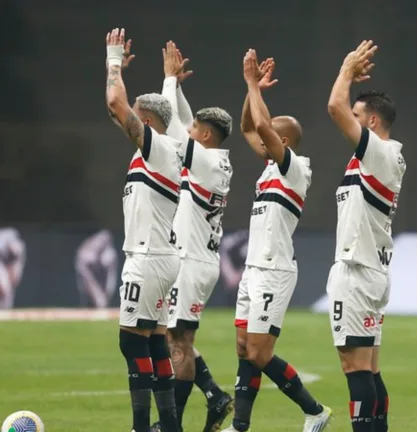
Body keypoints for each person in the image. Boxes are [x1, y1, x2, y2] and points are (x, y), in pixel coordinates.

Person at [222, 49, 331, 432]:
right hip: (254, 268)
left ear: (283, 140)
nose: (263, 136)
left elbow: (261, 126)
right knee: (243, 348)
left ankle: (315, 411)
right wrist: (251, 90)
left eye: (271, 133)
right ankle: (240, 426)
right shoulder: (271, 166)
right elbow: (248, 127)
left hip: (274, 270)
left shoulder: (294, 169)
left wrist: (254, 86)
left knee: (259, 352)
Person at [149, 41, 234, 432]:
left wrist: (168, 80)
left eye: (196, 130)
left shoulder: (206, 161)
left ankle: (173, 425)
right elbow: (184, 122)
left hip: (191, 263)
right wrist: (178, 88)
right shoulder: (212, 158)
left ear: (207, 135)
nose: (190, 131)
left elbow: (172, 129)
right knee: (175, 337)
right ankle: (214, 395)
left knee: (177, 343)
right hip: (197, 260)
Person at [326, 40, 406, 432]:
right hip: (371, 269)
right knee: (369, 368)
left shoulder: (379, 153)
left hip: (358, 271)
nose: (351, 122)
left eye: (358, 117)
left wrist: (346, 69)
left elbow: (334, 107)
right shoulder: (376, 158)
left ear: (372, 123)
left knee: (355, 368)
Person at [105, 28, 182, 432]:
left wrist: (113, 61)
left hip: (148, 257)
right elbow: (118, 110)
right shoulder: (161, 151)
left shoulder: (158, 149)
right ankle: (169, 425)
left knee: (131, 341)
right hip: (161, 256)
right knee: (154, 340)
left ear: (147, 122)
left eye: (137, 115)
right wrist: (121, 77)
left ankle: (140, 427)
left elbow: (116, 104)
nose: (128, 119)